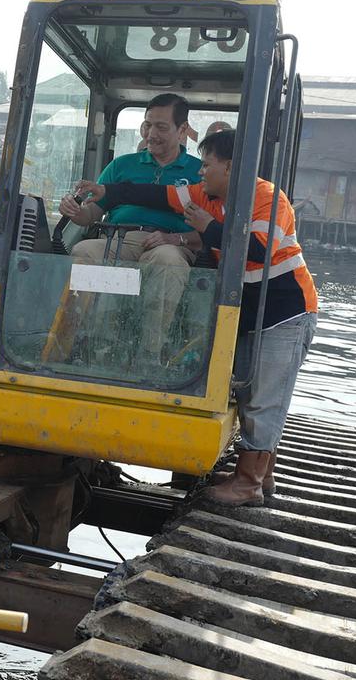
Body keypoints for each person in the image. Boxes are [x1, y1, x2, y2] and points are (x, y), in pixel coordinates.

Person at [65, 129, 318, 507]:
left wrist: (206, 228)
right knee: (248, 391)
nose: (200, 173)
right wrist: (108, 193)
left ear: (231, 167)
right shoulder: (208, 196)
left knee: (265, 397)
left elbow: (257, 250)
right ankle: (261, 475)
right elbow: (156, 195)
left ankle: (249, 481)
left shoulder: (268, 199)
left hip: (284, 312)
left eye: (208, 165)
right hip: (247, 312)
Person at [60, 94, 204, 362]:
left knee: (167, 261)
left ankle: (148, 353)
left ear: (182, 130)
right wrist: (77, 212)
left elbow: (211, 228)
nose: (151, 134)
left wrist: (176, 239)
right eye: (147, 125)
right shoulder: (121, 166)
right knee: (84, 250)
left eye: (161, 127)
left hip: (171, 244)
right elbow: (92, 213)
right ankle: (86, 342)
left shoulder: (198, 172)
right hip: (118, 239)